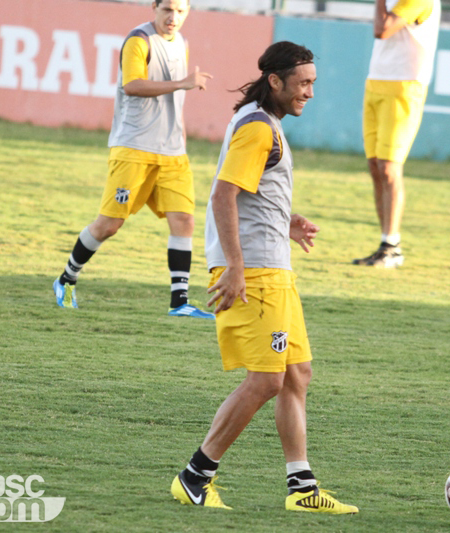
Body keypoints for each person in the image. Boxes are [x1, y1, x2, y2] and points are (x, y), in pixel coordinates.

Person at [170, 41, 358, 514]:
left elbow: (252, 191)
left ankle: (302, 489)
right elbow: (222, 196)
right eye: (303, 83)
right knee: (267, 381)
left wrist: (284, 221)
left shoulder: (261, 119)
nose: (310, 92)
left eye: (313, 83)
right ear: (275, 81)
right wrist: (234, 266)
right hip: (254, 272)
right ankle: (195, 476)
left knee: (297, 375)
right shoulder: (258, 128)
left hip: (273, 265)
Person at [52, 0, 214, 319]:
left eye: (180, 11)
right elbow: (133, 85)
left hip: (172, 152)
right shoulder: (138, 41)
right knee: (110, 224)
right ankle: (66, 278)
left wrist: (179, 135)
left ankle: (179, 302)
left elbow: (175, 100)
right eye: (167, 9)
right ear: (154, 7)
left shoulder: (181, 43)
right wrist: (183, 83)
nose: (173, 17)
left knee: (184, 220)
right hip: (134, 147)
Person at [354, 0, 441, 268]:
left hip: (405, 86)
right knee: (375, 166)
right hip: (377, 80)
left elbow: (383, 29)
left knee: (390, 168)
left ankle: (392, 246)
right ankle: (385, 244)